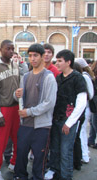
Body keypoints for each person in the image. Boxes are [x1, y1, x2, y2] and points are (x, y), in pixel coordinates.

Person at [13, 43, 57, 180]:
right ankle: (20, 176)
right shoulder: (25, 76)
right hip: (25, 123)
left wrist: (30, 112)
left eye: (35, 55)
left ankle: (37, 177)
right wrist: (16, 94)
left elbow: (49, 103)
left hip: (42, 125)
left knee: (39, 156)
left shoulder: (49, 77)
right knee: (20, 154)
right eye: (30, 55)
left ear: (43, 57)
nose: (32, 58)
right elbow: (19, 97)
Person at [45, 50, 87, 180]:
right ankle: (55, 171)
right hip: (56, 119)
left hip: (68, 121)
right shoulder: (58, 77)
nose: (56, 63)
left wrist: (69, 123)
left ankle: (66, 176)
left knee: (65, 152)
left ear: (68, 62)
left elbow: (81, 103)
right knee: (55, 149)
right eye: (56, 60)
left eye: (59, 61)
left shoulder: (78, 78)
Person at [0, 40, 20, 180]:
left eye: (12, 49)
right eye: (8, 49)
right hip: (4, 108)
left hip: (16, 107)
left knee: (18, 138)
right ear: (1, 49)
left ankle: (14, 163)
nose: (11, 51)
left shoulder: (15, 64)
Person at [75, 58, 94, 164]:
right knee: (80, 132)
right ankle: (83, 153)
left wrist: (82, 99)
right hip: (83, 108)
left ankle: (84, 155)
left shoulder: (85, 77)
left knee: (81, 131)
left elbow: (90, 94)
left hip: (84, 108)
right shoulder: (86, 76)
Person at [89, 61, 97, 149]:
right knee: (93, 122)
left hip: (95, 103)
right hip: (94, 103)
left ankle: (91, 139)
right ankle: (91, 139)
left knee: (94, 122)